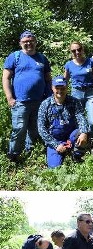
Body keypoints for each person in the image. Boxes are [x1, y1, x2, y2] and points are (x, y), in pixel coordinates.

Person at [3, 30, 52, 162]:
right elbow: (6, 78)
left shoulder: (42, 58)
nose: (28, 43)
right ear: (20, 43)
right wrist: (9, 97)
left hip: (39, 101)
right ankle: (13, 155)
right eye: (25, 41)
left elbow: (48, 79)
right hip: (20, 102)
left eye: (31, 41)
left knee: (35, 129)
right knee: (19, 129)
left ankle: (31, 152)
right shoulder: (15, 56)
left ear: (35, 42)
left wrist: (49, 98)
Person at [37, 76, 90, 168]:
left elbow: (81, 118)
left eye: (63, 88)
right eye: (57, 88)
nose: (60, 91)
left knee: (82, 132)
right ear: (52, 88)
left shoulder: (74, 101)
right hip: (55, 139)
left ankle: (76, 154)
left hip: (71, 136)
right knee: (54, 167)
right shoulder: (45, 105)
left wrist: (84, 133)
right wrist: (56, 145)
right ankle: (61, 152)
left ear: (67, 88)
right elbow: (41, 129)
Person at [63, 41, 93, 145]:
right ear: (71, 52)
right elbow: (64, 81)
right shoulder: (68, 65)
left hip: (90, 93)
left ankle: (91, 142)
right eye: (74, 51)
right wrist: (63, 96)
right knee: (76, 119)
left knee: (92, 121)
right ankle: (77, 142)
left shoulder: (90, 62)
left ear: (82, 49)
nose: (77, 52)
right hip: (76, 93)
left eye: (79, 49)